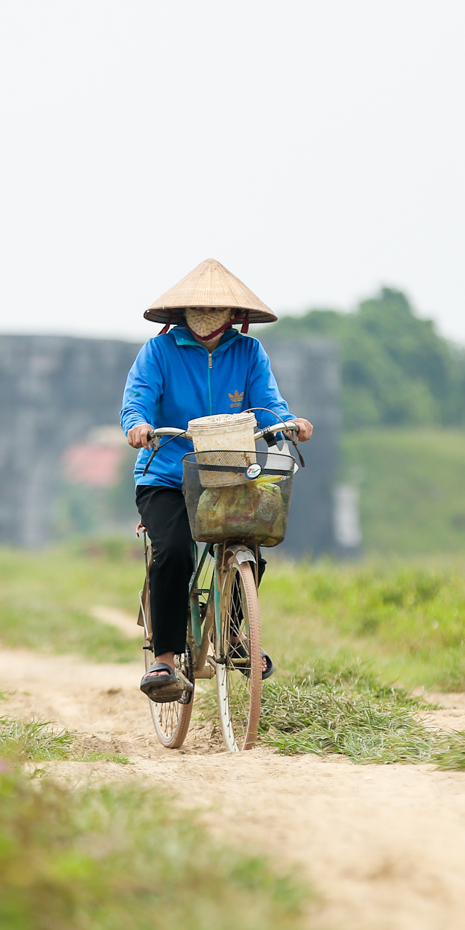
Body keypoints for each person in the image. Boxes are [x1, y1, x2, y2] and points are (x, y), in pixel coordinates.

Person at [121, 259, 314, 701]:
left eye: (218, 311)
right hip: (166, 474)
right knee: (173, 553)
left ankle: (233, 634)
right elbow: (137, 400)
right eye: (198, 311)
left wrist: (288, 422)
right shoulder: (158, 352)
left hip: (229, 473)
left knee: (252, 542)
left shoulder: (249, 353)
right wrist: (137, 425)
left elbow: (269, 402)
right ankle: (165, 658)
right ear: (181, 313)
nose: (207, 319)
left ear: (234, 315)